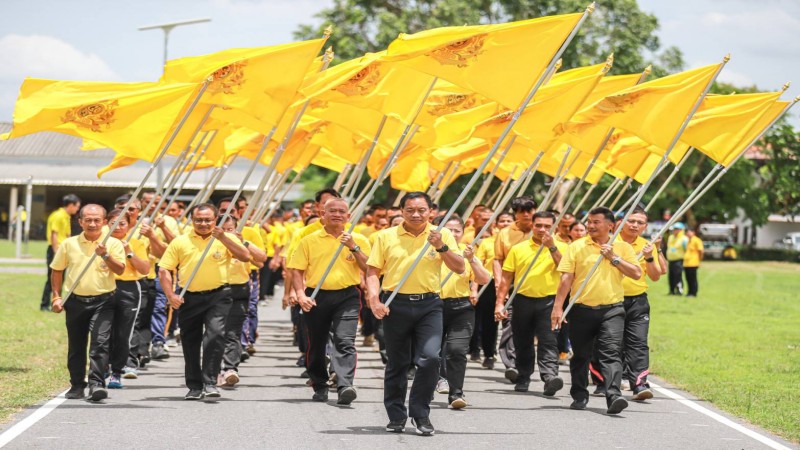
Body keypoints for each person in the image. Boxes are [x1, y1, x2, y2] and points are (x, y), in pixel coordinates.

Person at [367, 191, 464, 436]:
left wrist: (440, 247)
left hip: (429, 305)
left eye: (422, 210)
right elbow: (372, 272)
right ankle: (396, 415)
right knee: (397, 363)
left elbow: (459, 267)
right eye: (410, 210)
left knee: (430, 358)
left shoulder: (442, 235)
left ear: (431, 211)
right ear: (401, 211)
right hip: (394, 304)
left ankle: (420, 413)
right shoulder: (386, 236)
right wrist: (374, 300)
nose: (416, 214)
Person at [551, 207, 641, 415]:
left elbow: (636, 273)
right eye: (589, 222)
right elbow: (566, 278)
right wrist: (558, 307)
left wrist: (614, 258)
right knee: (581, 355)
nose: (590, 226)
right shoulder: (576, 246)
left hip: (612, 309)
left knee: (610, 353)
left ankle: (614, 396)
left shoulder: (622, 247)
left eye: (596, 222)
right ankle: (580, 395)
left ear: (610, 225)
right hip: (581, 309)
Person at [158, 203, 250, 400]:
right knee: (190, 342)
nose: (203, 223)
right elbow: (164, 269)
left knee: (215, 335)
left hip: (219, 295)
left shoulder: (226, 238)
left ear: (215, 220)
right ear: (192, 220)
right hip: (188, 297)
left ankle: (210, 382)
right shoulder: (180, 241)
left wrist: (223, 238)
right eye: (198, 220)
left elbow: (245, 256)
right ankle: (194, 385)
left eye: (208, 220)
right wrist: (170, 295)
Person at [288, 198, 370, 405]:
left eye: (341, 211)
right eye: (331, 211)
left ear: (348, 217)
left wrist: (353, 247)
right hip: (316, 296)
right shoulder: (309, 240)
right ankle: (319, 383)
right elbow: (296, 270)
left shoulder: (357, 238)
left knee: (345, 340)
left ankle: (344, 385)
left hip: (347, 296)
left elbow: (369, 268)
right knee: (316, 343)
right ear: (322, 214)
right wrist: (300, 294)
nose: (336, 214)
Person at [50, 204, 126, 402]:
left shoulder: (114, 243)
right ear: (80, 221)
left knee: (100, 344)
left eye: (97, 220)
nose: (92, 224)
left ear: (104, 222)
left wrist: (105, 255)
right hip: (75, 302)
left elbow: (120, 270)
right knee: (76, 345)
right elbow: (57, 270)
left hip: (104, 301)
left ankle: (96, 384)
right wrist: (56, 296)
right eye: (88, 220)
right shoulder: (69, 243)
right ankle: (76, 385)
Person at [593, 208, 665, 401]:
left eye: (640, 223)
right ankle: (603, 382)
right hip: (610, 300)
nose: (634, 225)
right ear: (620, 222)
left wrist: (650, 256)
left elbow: (656, 276)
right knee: (609, 344)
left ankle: (640, 384)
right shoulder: (609, 242)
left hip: (638, 301)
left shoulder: (646, 246)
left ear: (645, 226)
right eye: (631, 221)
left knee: (638, 343)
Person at [495, 211, 567, 396]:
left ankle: (550, 377)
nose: (542, 229)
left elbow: (564, 269)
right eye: (538, 225)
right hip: (522, 300)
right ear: (532, 226)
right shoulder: (518, 249)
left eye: (547, 226)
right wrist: (499, 303)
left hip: (549, 301)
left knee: (548, 340)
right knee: (522, 340)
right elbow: (506, 279)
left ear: (555, 227)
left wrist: (551, 247)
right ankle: (523, 376)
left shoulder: (563, 247)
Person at [435, 215, 490, 409]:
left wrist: (473, 260)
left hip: (461, 308)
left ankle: (456, 393)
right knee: (431, 353)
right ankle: (435, 381)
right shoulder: (428, 251)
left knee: (457, 351)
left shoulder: (465, 253)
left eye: (457, 230)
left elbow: (484, 279)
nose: (452, 234)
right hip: (432, 307)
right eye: (447, 230)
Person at [217, 214, 266, 387]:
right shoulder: (209, 242)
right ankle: (214, 369)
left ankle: (230, 368)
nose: (226, 233)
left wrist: (243, 242)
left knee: (233, 332)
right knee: (214, 332)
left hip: (239, 289)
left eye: (229, 229)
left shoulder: (243, 239)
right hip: (214, 290)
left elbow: (261, 260)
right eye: (222, 230)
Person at [106, 208, 151, 389]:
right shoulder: (100, 242)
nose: (117, 227)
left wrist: (129, 251)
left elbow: (145, 270)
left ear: (128, 224)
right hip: (104, 288)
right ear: (106, 224)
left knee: (123, 334)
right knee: (102, 334)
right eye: (113, 223)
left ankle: (116, 372)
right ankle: (101, 370)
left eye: (121, 223)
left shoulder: (136, 242)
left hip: (128, 289)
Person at [494, 197, 537, 383]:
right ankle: (512, 364)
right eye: (521, 211)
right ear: (515, 213)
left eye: (529, 210)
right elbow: (498, 259)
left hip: (538, 285)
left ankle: (531, 365)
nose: (526, 214)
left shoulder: (543, 230)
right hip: (511, 284)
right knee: (509, 324)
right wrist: (498, 283)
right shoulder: (504, 233)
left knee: (532, 329)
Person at [469, 211, 514, 367]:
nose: (505, 223)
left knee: (506, 322)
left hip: (512, 282)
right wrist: (474, 290)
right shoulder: (487, 243)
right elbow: (477, 266)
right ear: (495, 224)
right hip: (488, 284)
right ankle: (485, 353)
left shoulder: (519, 242)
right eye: (502, 221)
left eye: (509, 221)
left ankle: (504, 355)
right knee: (487, 321)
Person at [41, 194, 81, 311]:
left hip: (64, 249)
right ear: (70, 205)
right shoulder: (58, 215)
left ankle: (58, 301)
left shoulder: (66, 216)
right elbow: (54, 234)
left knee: (62, 278)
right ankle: (44, 304)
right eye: (76, 206)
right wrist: (55, 253)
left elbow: (68, 235)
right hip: (56, 249)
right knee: (52, 278)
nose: (77, 209)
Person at [666, 222, 688, 295]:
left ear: (681, 230)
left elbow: (686, 249)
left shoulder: (684, 239)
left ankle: (679, 290)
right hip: (670, 260)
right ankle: (671, 291)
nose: (674, 230)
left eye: (676, 229)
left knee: (678, 276)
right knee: (671, 276)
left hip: (679, 260)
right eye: (674, 229)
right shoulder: (671, 237)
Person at [683, 228, 704, 297]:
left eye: (689, 232)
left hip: (693, 263)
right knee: (688, 279)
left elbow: (701, 251)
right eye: (687, 232)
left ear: (693, 232)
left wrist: (699, 259)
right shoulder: (687, 240)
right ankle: (689, 292)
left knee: (693, 279)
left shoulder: (697, 240)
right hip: (687, 263)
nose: (687, 234)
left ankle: (693, 292)